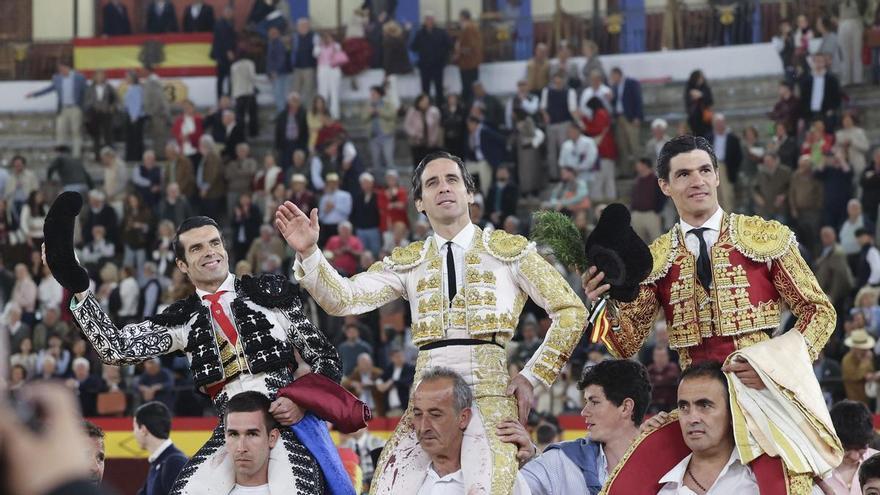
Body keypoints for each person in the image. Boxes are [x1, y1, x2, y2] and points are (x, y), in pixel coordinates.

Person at [280, 150, 587, 494]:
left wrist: (533, 376)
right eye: (433, 183)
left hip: (489, 392)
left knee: (486, 488)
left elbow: (571, 310)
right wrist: (309, 253)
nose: (443, 188)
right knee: (386, 490)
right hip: (424, 399)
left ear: (469, 193)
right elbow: (344, 298)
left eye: (452, 179)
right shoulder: (410, 262)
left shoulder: (511, 252)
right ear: (420, 203)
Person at [584, 135, 837, 491]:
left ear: (717, 176)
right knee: (626, 485)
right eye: (684, 174)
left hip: (763, 402)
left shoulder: (763, 237)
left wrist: (772, 367)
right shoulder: (656, 259)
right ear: (665, 185)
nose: (697, 180)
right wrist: (600, 303)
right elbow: (625, 343)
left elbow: (819, 311)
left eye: (705, 170)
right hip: (696, 407)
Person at [48, 214, 345, 494]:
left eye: (215, 243)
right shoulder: (181, 319)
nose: (210, 252)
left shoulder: (269, 292)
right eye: (197, 248)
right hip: (229, 433)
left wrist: (300, 402)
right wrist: (80, 292)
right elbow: (116, 348)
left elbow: (325, 358)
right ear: (182, 264)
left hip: (284, 424)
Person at [503, 359, 651, 494]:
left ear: (625, 408)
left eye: (594, 402)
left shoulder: (663, 465)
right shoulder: (561, 461)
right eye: (586, 402)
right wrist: (517, 460)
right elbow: (505, 489)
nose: (584, 412)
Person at [411, 367, 530, 494]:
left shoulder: (501, 478)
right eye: (418, 414)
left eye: (435, 415)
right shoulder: (398, 480)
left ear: (463, 418)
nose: (423, 427)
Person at [656, 361, 759, 494]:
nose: (692, 419)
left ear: (733, 413)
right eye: (684, 407)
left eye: (704, 406)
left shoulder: (761, 479)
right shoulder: (666, 489)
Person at [817, 400, 880, 494]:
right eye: (847, 448)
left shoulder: (877, 461)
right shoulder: (817, 469)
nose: (854, 456)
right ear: (831, 439)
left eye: (861, 447)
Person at [26, 60, 86, 157]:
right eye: (59, 69)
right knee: (60, 130)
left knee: (76, 131)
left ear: (68, 68)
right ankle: (61, 154)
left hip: (75, 108)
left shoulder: (79, 78)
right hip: (63, 108)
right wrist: (34, 95)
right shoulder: (57, 78)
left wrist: (83, 107)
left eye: (62, 68)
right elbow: (49, 89)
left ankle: (76, 155)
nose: (61, 70)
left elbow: (85, 92)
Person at [133, 401, 188, 495]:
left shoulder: (174, 462)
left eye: (134, 428)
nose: (134, 433)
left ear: (143, 430)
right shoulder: (159, 461)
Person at [410, 12, 452, 104]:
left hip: (438, 65)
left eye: (431, 19)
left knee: (439, 88)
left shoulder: (441, 32)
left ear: (434, 20)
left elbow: (449, 45)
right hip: (425, 66)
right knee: (425, 89)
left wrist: (442, 56)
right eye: (427, 19)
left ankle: (440, 107)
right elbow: (413, 47)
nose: (429, 21)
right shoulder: (420, 33)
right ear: (425, 21)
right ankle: (425, 106)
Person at [608, 67, 644, 176]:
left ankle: (640, 170)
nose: (612, 78)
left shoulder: (631, 83)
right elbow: (616, 102)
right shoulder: (614, 87)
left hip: (630, 118)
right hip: (619, 118)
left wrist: (638, 116)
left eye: (613, 76)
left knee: (634, 145)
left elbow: (638, 99)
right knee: (622, 145)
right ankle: (626, 171)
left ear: (618, 75)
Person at [83, 70, 119, 159]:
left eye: (101, 76)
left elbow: (116, 99)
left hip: (106, 114)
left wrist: (112, 107)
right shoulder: (90, 88)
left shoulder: (109, 87)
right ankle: (97, 156)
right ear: (94, 77)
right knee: (96, 136)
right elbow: (86, 101)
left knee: (108, 135)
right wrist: (93, 106)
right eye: (97, 76)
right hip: (95, 114)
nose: (99, 78)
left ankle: (110, 156)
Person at [455, 9, 482, 105]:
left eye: (460, 18)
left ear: (463, 18)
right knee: (470, 88)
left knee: (468, 89)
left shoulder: (469, 29)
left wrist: (459, 50)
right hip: (470, 63)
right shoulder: (472, 28)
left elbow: (471, 47)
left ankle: (469, 107)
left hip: (468, 64)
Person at [316, 33, 346, 120]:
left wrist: (332, 45)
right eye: (325, 37)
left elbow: (338, 53)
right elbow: (315, 54)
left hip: (334, 69)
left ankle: (335, 115)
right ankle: (322, 113)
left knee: (334, 92)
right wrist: (320, 44)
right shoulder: (319, 46)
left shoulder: (336, 45)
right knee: (323, 92)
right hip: (323, 70)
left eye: (329, 37)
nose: (327, 39)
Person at [291, 18, 320, 105]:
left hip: (309, 67)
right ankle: (296, 113)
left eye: (304, 25)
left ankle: (309, 112)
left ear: (308, 26)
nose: (302, 28)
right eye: (300, 26)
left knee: (309, 91)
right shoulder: (295, 37)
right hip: (297, 67)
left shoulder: (314, 36)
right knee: (295, 92)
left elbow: (317, 52)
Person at [231, 52, 259, 138]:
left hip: (238, 93)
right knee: (252, 114)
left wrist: (233, 94)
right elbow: (252, 77)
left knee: (240, 116)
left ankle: (241, 134)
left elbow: (233, 81)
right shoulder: (250, 64)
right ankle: (253, 133)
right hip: (248, 92)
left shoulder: (234, 66)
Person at [210, 6, 237, 98]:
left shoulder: (229, 23)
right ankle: (221, 98)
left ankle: (228, 97)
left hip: (223, 54)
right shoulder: (221, 24)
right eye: (228, 13)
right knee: (222, 78)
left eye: (231, 13)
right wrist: (229, 51)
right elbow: (224, 39)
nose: (230, 15)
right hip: (222, 55)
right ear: (224, 13)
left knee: (229, 77)